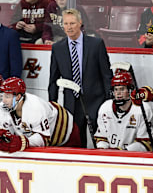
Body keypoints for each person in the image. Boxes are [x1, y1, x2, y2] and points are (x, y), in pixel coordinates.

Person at [48, 8, 113, 148]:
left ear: (80, 23)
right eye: (66, 24)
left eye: (72, 23)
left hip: (96, 102)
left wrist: (109, 103)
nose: (69, 27)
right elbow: (53, 80)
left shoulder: (96, 44)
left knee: (101, 143)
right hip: (72, 104)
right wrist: (52, 106)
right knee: (76, 143)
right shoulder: (57, 48)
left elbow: (107, 76)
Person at [0, 77, 81, 153]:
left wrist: (21, 142)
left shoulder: (35, 108)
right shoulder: (0, 109)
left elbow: (43, 139)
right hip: (45, 133)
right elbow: (3, 132)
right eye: (2, 96)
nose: (3, 101)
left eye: (7, 96)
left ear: (18, 97)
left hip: (66, 131)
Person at [94, 72, 153, 151]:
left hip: (135, 158)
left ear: (130, 90)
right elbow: (101, 138)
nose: (118, 93)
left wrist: (123, 152)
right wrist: (103, 150)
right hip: (111, 156)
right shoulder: (105, 108)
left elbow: (145, 144)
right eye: (116, 89)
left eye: (122, 89)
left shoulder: (143, 109)